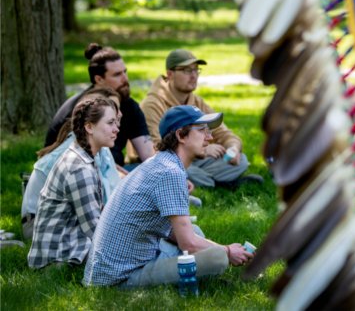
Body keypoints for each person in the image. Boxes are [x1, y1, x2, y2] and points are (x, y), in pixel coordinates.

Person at [84, 105, 254, 287]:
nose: (210, 137)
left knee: (195, 232)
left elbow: (176, 233)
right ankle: (207, 277)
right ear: (181, 135)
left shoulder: (161, 163)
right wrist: (227, 252)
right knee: (217, 258)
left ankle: (206, 273)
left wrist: (220, 248)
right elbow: (188, 243)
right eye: (202, 130)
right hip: (119, 278)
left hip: (108, 268)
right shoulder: (170, 172)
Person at [139, 49, 262, 188]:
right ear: (170, 74)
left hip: (194, 160)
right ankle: (222, 183)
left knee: (241, 160)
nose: (193, 76)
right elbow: (155, 150)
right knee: (177, 169)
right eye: (186, 70)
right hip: (165, 161)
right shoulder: (152, 105)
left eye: (196, 70)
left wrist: (232, 149)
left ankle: (205, 182)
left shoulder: (197, 102)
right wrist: (203, 149)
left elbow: (224, 134)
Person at [28, 97, 120, 269]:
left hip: (71, 246)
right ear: (89, 127)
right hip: (58, 259)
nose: (117, 129)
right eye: (110, 123)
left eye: (116, 122)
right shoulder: (79, 168)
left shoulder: (84, 156)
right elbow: (95, 229)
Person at [44, 43, 155, 171]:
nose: (125, 79)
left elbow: (148, 154)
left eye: (125, 72)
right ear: (99, 79)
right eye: (117, 74)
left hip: (112, 169)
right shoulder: (83, 110)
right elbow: (81, 160)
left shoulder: (129, 106)